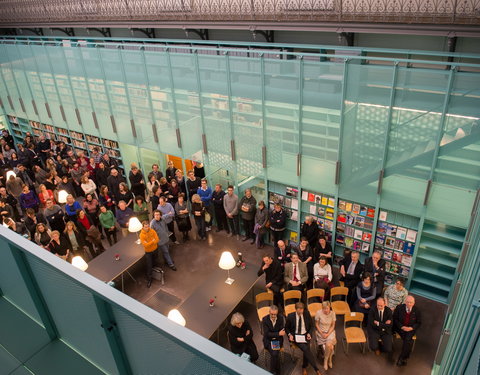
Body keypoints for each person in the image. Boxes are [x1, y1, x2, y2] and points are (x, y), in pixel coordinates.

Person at [285, 302, 322, 375]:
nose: (301, 312)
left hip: (305, 335)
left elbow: (312, 326)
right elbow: (286, 328)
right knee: (306, 349)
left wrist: (309, 333)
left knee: (306, 350)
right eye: (299, 311)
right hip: (296, 336)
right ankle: (316, 369)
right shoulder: (290, 316)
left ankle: (304, 367)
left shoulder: (307, 314)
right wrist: (289, 335)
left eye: (302, 310)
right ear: (296, 309)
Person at [393, 295, 421, 367]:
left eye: (411, 302)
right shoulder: (399, 308)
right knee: (409, 341)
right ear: (405, 302)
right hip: (400, 328)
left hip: (410, 329)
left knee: (408, 340)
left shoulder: (417, 310)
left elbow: (419, 323)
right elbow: (394, 319)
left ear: (414, 303)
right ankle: (404, 358)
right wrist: (402, 327)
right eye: (407, 302)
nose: (409, 304)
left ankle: (401, 358)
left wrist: (411, 328)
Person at [262, 305, 285, 375]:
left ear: (277, 313)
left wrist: (275, 334)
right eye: (272, 314)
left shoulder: (281, 318)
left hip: (277, 340)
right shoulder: (265, 319)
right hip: (268, 341)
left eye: (275, 314)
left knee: (274, 354)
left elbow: (282, 331)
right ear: (269, 312)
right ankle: (278, 372)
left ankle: (272, 372)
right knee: (275, 354)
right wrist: (278, 333)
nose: (273, 316)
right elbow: (267, 334)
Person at [315, 301, 337, 371]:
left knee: (328, 344)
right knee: (331, 346)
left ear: (329, 307)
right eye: (324, 309)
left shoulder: (333, 313)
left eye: (327, 308)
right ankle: (329, 359)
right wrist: (321, 333)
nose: (326, 310)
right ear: (322, 308)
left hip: (330, 332)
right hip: (321, 332)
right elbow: (317, 324)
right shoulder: (318, 313)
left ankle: (326, 360)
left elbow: (333, 325)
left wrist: (328, 334)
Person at [139, 221, 159, 288]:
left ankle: (155, 272)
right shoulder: (141, 235)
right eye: (145, 227)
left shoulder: (152, 231)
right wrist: (152, 241)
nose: (147, 228)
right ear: (143, 227)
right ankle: (149, 280)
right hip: (148, 252)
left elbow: (157, 240)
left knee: (155, 261)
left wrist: (151, 242)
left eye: (148, 226)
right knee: (149, 266)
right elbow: (145, 245)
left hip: (155, 250)